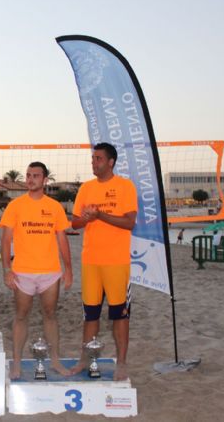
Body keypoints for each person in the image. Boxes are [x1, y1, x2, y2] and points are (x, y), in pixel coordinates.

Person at [70, 143, 137, 381]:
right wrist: (87, 219)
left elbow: (129, 223)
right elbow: (75, 223)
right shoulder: (86, 188)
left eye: (98, 158)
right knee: (90, 315)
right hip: (91, 261)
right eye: (92, 158)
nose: (94, 162)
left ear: (110, 162)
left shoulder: (125, 186)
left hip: (116, 262)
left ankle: (122, 363)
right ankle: (84, 359)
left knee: (120, 315)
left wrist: (100, 215)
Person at [1, 162, 73, 379]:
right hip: (22, 272)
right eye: (28, 175)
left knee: (50, 315)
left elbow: (62, 240)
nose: (31, 179)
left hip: (50, 272)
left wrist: (68, 269)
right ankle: (16, 363)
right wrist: (7, 269)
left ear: (45, 180)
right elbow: (5, 241)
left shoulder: (55, 207)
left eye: (36, 176)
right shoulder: (15, 206)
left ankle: (55, 361)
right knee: (21, 316)